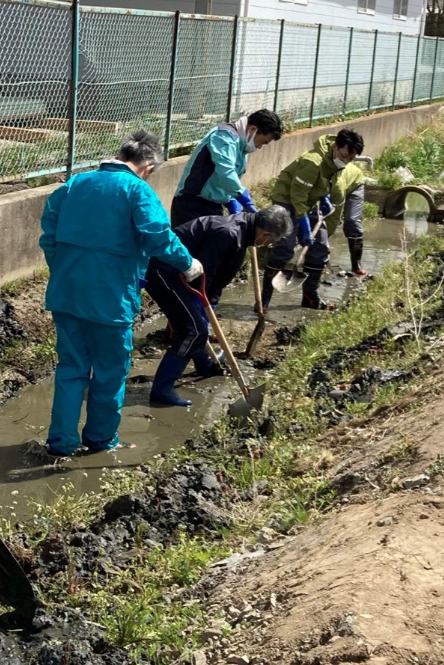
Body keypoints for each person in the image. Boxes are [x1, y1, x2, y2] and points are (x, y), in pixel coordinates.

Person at [39, 130, 200, 456]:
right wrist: (188, 263)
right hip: (111, 300)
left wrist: (65, 271)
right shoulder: (137, 191)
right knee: (110, 373)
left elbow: (49, 236)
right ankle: (100, 440)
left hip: (67, 294)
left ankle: (62, 445)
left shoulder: (74, 185)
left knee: (71, 369)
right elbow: (157, 235)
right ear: (149, 167)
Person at [145, 206, 292, 407]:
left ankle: (205, 364)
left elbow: (218, 279)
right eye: (271, 241)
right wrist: (201, 306)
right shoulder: (228, 233)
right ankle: (161, 390)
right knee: (193, 330)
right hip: (164, 272)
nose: (268, 245)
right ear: (265, 234)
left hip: (185, 276)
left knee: (198, 325)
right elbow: (204, 274)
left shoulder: (243, 233)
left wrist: (210, 305)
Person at [261, 128, 365, 312]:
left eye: (351, 159)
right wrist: (303, 224)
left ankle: (311, 298)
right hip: (287, 199)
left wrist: (324, 197)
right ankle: (264, 301)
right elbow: (297, 195)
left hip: (310, 201)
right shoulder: (313, 162)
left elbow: (323, 185)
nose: (346, 161)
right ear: (335, 146)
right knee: (284, 247)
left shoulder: (337, 163)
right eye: (344, 155)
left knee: (320, 248)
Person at [170, 109, 283, 228]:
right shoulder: (223, 137)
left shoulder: (241, 148)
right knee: (187, 246)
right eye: (262, 142)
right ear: (252, 129)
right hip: (191, 204)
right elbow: (225, 172)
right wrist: (242, 196)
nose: (259, 147)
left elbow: (222, 180)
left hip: (213, 206)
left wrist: (229, 200)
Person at [329, 157, 367, 278]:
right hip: (333, 189)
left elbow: (334, 217)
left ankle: (356, 265)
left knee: (351, 221)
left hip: (354, 185)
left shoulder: (338, 181)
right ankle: (318, 259)